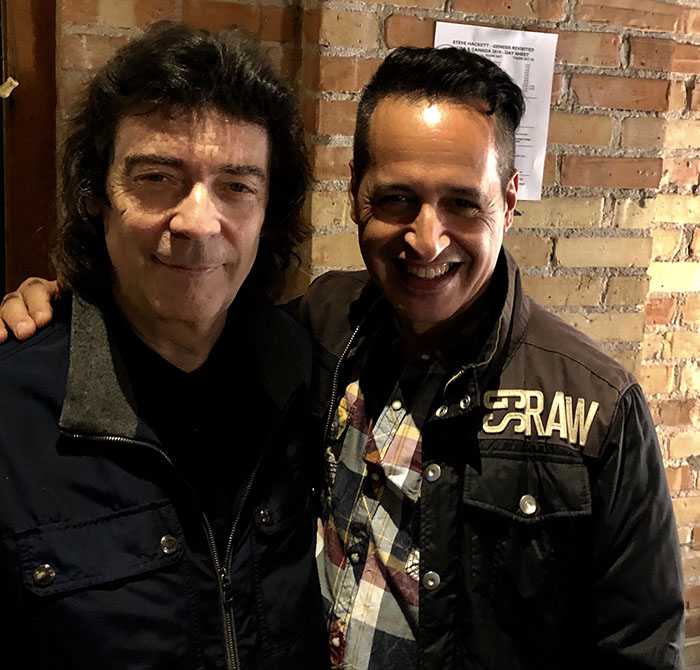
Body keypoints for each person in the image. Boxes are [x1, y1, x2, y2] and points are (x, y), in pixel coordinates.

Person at [1, 46, 685, 670]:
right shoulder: (319, 333)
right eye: (396, 199)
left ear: (508, 201)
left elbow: (639, 646)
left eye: (462, 203)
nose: (427, 240)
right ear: (356, 192)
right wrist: (65, 303)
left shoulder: (597, 405)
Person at [0, 22, 326, 670]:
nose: (198, 222)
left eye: (237, 186)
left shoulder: (310, 377)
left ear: (268, 213)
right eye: (155, 177)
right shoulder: (13, 415)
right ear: (97, 197)